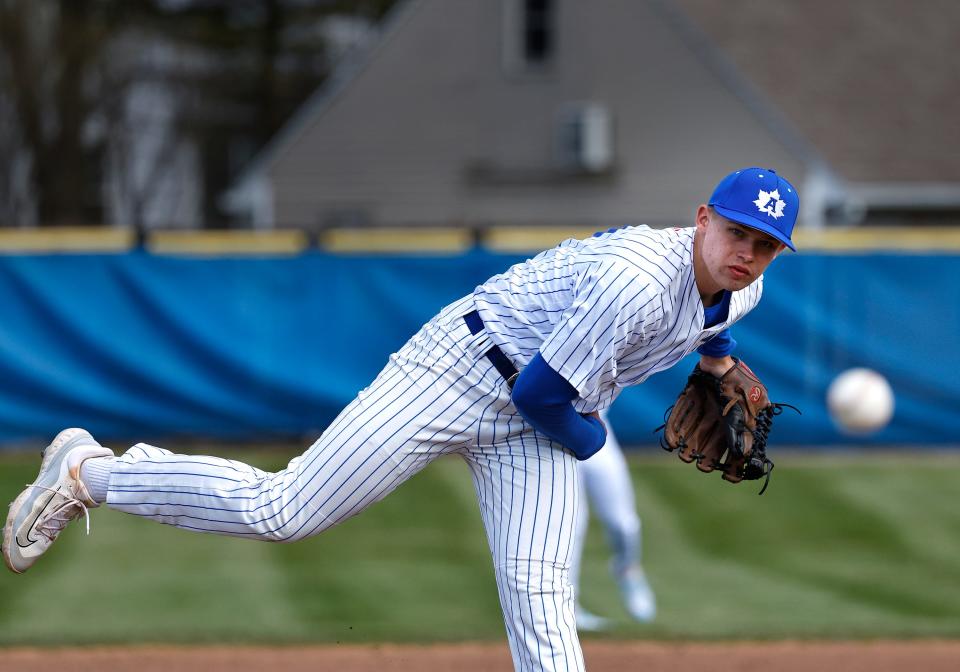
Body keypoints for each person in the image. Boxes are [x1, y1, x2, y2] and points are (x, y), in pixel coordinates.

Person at [3, 166, 798, 672]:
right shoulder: (636, 281)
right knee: (284, 511)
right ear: (701, 217)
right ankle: (89, 472)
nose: (747, 253)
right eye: (736, 232)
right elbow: (546, 401)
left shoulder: (745, 284)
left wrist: (717, 362)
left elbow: (708, 317)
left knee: (542, 594)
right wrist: (597, 442)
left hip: (539, 408)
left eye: (765, 245)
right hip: (463, 371)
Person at [571, 411, 656, 631]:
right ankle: (569, 607)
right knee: (571, 527)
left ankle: (628, 571)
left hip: (596, 428)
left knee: (623, 523)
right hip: (550, 435)